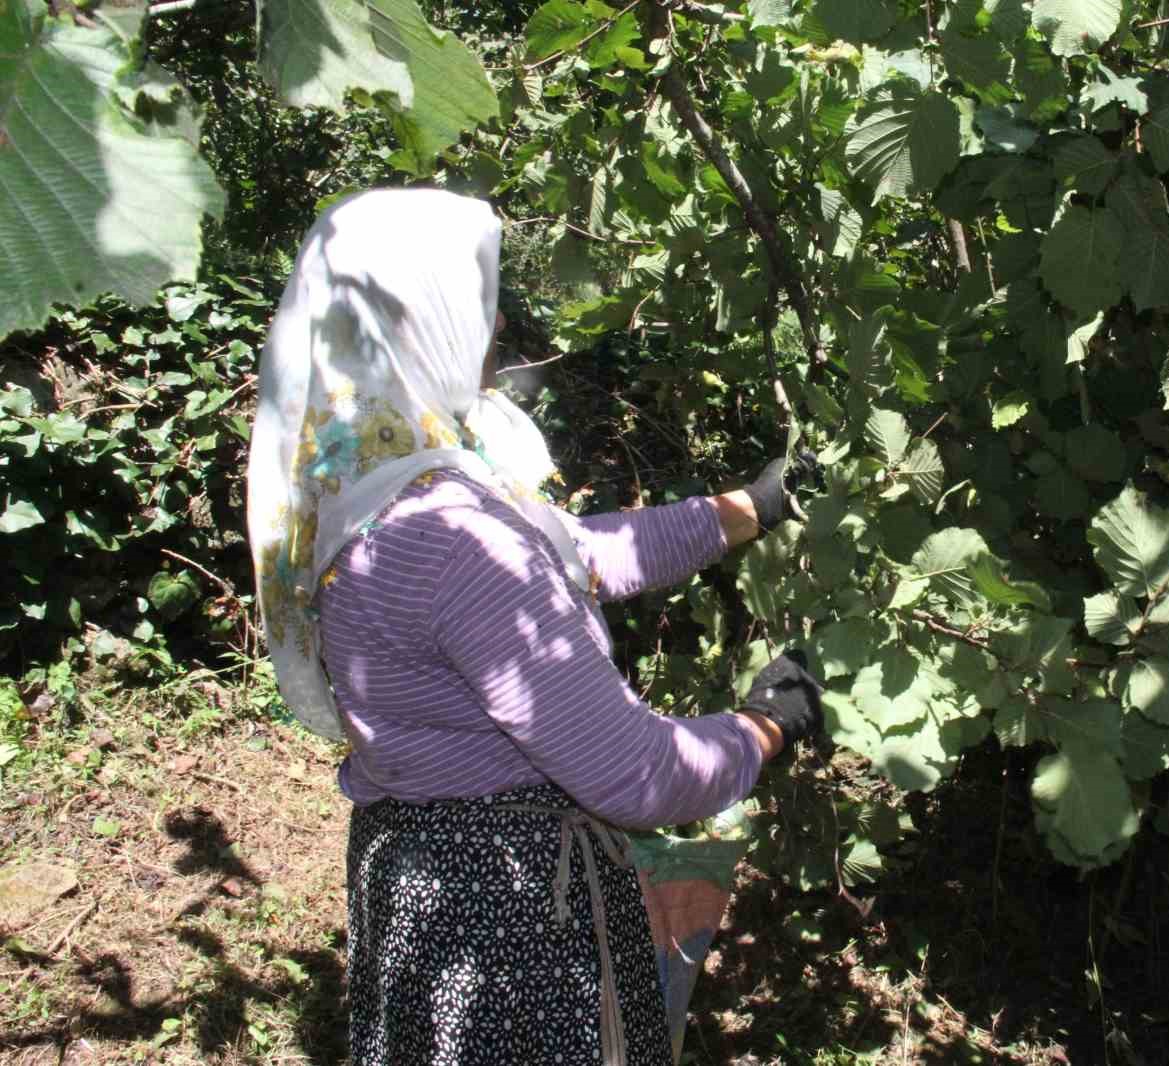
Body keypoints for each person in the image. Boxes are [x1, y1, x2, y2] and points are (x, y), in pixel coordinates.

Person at [245, 187, 824, 1066]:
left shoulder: (358, 486)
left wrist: (749, 507)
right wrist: (767, 725)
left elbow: (570, 554)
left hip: (417, 887)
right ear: (422, 318)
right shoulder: (454, 540)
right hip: (511, 921)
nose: (499, 317)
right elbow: (638, 774)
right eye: (476, 295)